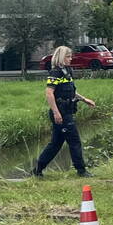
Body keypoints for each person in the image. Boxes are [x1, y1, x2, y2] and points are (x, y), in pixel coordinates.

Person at [32, 46, 96, 177]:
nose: (70, 59)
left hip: (67, 111)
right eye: (68, 56)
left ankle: (37, 169)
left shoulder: (67, 71)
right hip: (61, 113)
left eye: (71, 56)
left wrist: (84, 99)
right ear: (61, 57)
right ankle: (81, 171)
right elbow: (49, 93)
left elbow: (71, 90)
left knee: (55, 144)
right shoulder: (56, 73)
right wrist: (56, 112)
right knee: (74, 141)